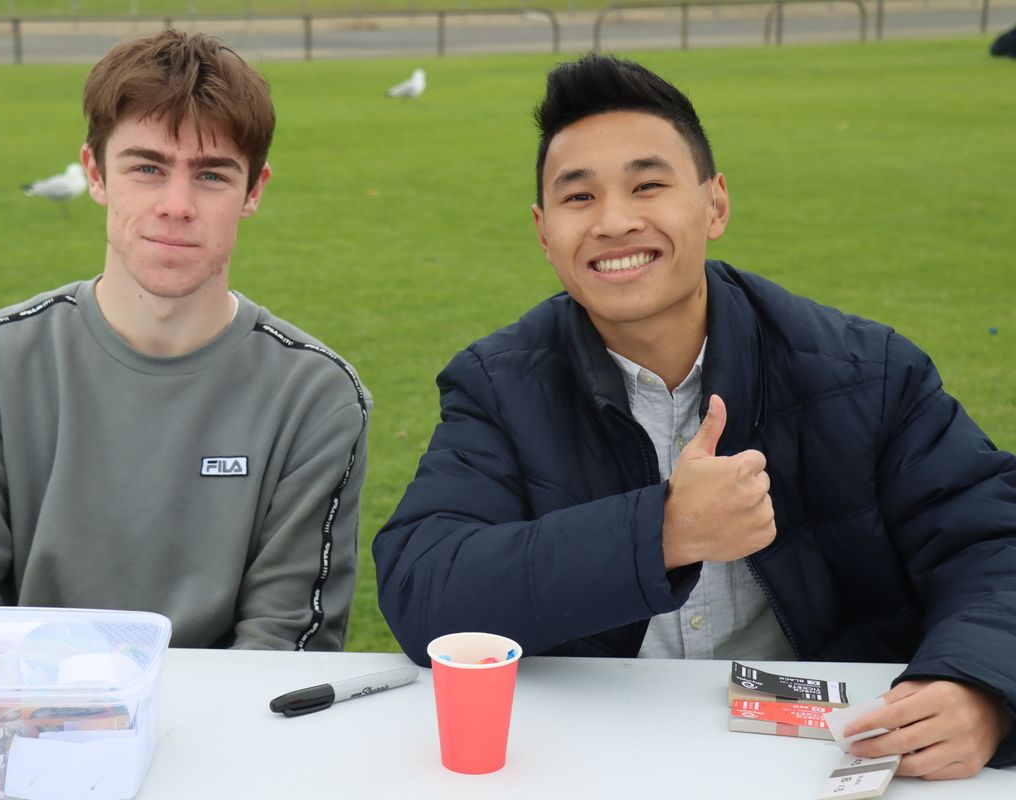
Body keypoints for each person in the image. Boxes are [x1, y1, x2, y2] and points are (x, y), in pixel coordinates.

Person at [372, 54, 1016, 777]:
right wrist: (663, 531)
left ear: (715, 205)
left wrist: (982, 687)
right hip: (589, 758)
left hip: (823, 756)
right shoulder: (499, 385)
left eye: (648, 185)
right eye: (579, 197)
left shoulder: (868, 371)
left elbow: (994, 541)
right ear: (544, 231)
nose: (615, 222)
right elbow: (424, 590)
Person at [0, 30, 370, 652]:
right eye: (147, 168)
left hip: (226, 716)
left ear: (253, 191)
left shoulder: (317, 399)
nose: (176, 205)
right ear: (95, 173)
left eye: (211, 174)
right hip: (25, 712)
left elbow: (282, 649)